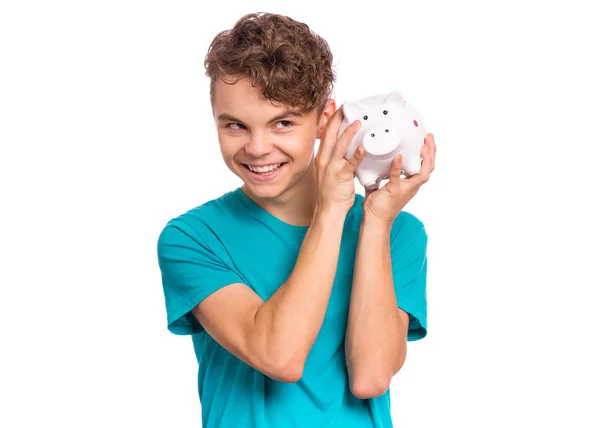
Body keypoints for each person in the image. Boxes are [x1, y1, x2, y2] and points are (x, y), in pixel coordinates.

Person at [156, 11, 436, 428]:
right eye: (235, 125)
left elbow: (371, 378)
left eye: (283, 123)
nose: (257, 147)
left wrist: (376, 221)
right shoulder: (193, 238)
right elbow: (279, 356)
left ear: (326, 120)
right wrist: (330, 211)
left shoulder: (399, 232)